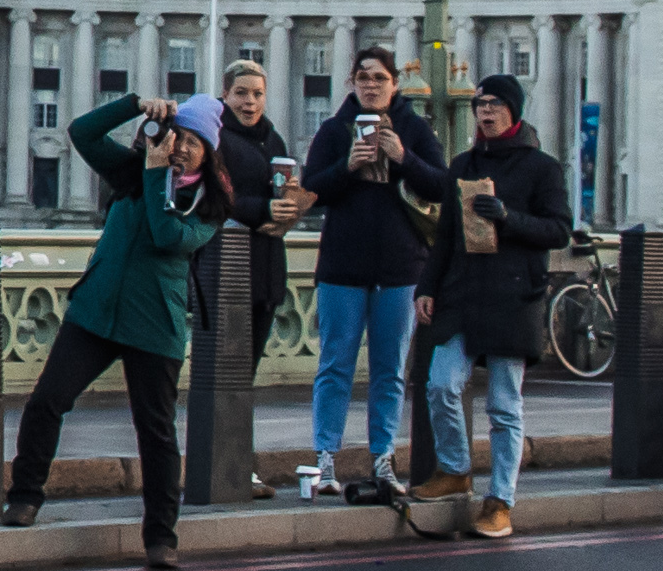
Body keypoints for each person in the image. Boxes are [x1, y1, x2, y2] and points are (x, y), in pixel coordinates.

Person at [4, 87, 214, 563]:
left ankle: (161, 537)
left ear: (209, 153)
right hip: (96, 310)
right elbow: (81, 131)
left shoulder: (209, 203)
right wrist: (135, 105)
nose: (180, 146)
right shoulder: (131, 173)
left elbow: (166, 236)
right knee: (47, 402)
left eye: (193, 142)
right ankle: (25, 496)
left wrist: (159, 174)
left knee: (155, 432)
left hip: (154, 324)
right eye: (176, 135)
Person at [416, 74, 569, 543]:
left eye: (496, 105)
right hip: (462, 293)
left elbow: (559, 230)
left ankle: (500, 500)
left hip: (513, 296)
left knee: (504, 405)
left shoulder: (542, 168)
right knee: (441, 383)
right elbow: (445, 236)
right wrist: (428, 286)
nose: (485, 112)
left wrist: (509, 217)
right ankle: (457, 468)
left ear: (514, 112)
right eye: (480, 104)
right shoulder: (462, 164)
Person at [297, 46, 449, 502]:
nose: (371, 85)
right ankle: (326, 458)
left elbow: (442, 185)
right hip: (343, 266)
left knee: (390, 370)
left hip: (401, 268)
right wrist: (348, 165)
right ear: (352, 83)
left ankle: (382, 457)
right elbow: (310, 191)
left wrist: (402, 156)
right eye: (363, 77)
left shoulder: (414, 129)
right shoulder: (333, 130)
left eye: (379, 78)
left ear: (394, 85)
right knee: (335, 364)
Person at [208, 65, 302, 492]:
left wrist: (290, 207)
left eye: (257, 94)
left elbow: (281, 195)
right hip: (227, 270)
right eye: (241, 93)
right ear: (225, 94)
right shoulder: (213, 138)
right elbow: (213, 196)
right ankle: (224, 465)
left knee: (244, 376)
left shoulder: (273, 139)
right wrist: (262, 210)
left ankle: (235, 463)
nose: (249, 102)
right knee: (227, 375)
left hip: (266, 270)